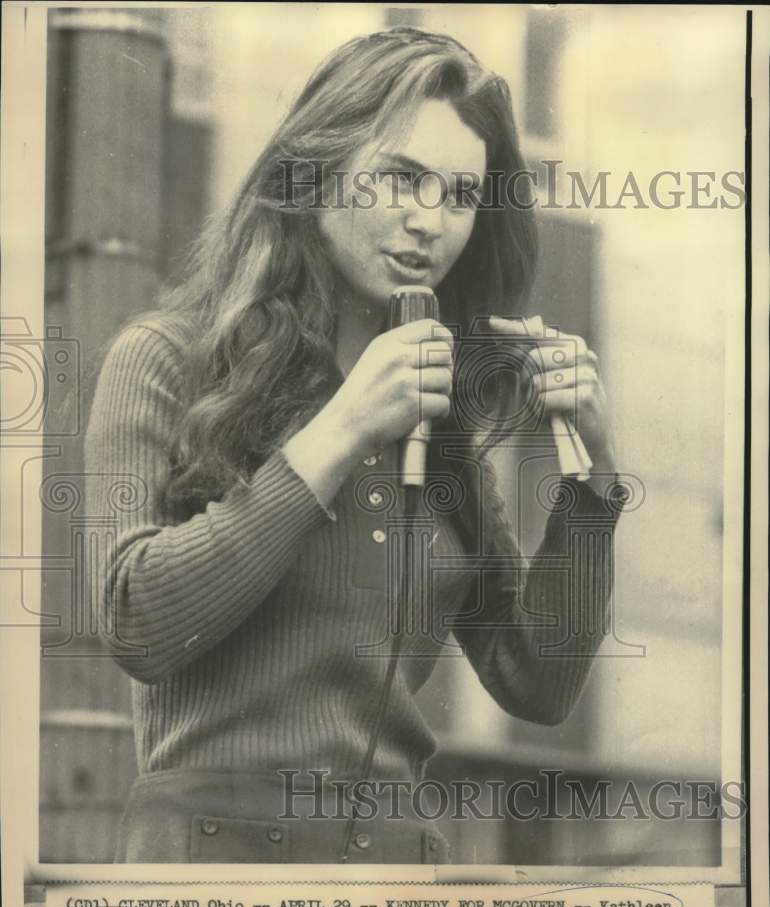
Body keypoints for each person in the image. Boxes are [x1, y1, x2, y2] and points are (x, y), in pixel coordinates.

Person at [86, 26, 624, 864]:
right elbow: (137, 622)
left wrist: (592, 476)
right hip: (210, 870)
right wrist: (339, 430)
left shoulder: (436, 422)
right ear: (316, 169)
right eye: (401, 177)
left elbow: (539, 683)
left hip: (396, 882)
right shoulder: (164, 359)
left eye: (458, 194)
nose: (428, 221)